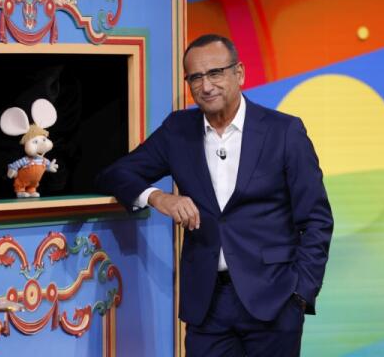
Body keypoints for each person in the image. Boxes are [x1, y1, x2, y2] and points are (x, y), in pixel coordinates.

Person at [97, 34, 333, 356]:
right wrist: (159, 197)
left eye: (215, 73)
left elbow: (317, 219)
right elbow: (114, 174)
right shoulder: (178, 130)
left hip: (274, 300)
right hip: (207, 305)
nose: (206, 86)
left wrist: (300, 293)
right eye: (195, 77)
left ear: (239, 73)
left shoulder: (283, 131)